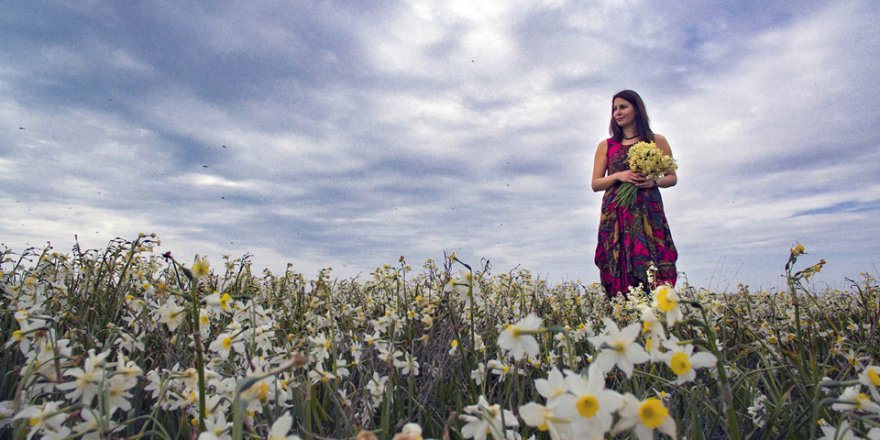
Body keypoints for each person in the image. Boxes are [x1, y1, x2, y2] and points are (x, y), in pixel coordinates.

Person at [591, 90, 678, 298]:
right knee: (617, 265)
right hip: (617, 214)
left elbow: (671, 177)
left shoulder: (656, 140)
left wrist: (652, 182)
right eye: (614, 109)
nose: (617, 113)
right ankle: (623, 314)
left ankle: (656, 313)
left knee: (652, 262)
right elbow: (595, 183)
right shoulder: (607, 145)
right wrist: (620, 175)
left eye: (623, 107)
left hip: (648, 211)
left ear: (636, 109)